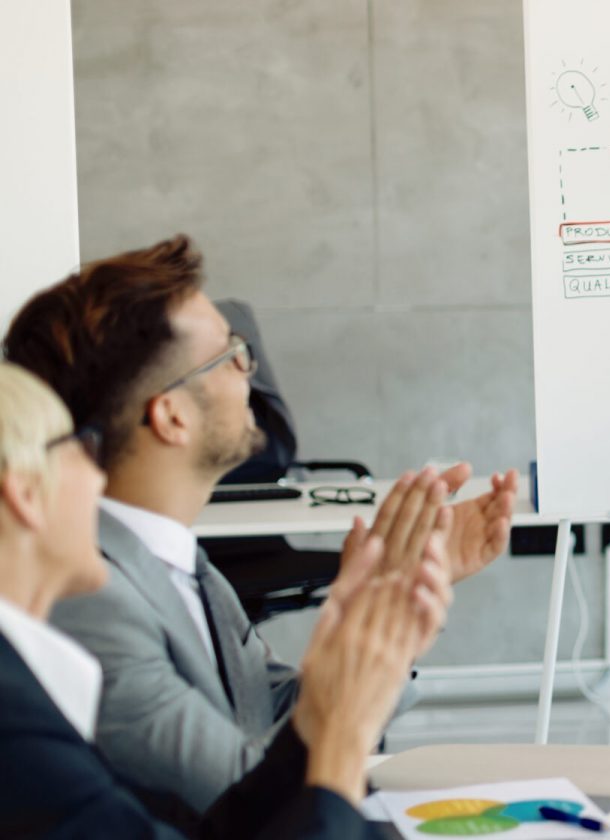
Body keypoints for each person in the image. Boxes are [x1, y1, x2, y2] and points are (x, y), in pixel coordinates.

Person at [1, 234, 520, 811]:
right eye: (232, 355)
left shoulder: (177, 562)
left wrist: (401, 602)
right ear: (171, 415)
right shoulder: (90, 597)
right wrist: (369, 625)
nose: (250, 372)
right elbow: (244, 796)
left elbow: (275, 712)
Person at [0, 361, 448, 837]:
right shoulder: (14, 718)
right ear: (26, 494)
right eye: (76, 449)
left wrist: (347, 685)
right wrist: (340, 734)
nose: (98, 477)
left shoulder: (27, 684)